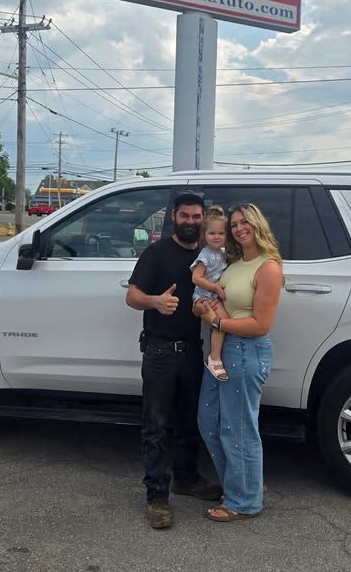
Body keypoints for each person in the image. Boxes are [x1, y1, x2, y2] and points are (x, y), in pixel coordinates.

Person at [125, 191, 222, 530]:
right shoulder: (157, 252)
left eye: (197, 217)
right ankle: (156, 496)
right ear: (173, 216)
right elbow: (132, 295)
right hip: (160, 352)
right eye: (185, 216)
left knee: (189, 421)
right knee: (156, 427)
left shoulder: (211, 256)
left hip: (193, 351)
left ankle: (187, 479)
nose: (192, 222)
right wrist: (155, 302)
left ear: (204, 218)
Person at [196, 202, 284, 522]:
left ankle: (244, 501)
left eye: (244, 222)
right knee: (209, 422)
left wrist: (217, 324)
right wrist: (203, 309)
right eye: (234, 224)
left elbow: (261, 323)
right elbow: (215, 302)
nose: (238, 228)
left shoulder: (268, 267)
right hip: (223, 350)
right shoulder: (232, 266)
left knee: (239, 429)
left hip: (247, 350)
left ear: (257, 224)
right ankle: (243, 485)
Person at [190, 205, 229, 381]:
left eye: (221, 234)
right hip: (204, 297)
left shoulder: (222, 253)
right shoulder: (205, 254)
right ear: (204, 235)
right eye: (212, 233)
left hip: (214, 297)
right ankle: (215, 358)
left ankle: (215, 356)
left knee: (223, 324)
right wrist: (215, 288)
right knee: (218, 325)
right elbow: (196, 278)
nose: (217, 237)